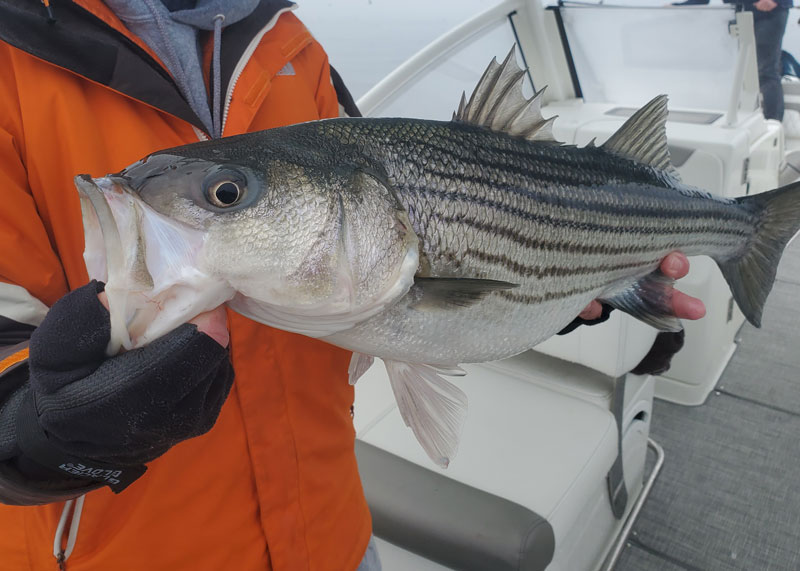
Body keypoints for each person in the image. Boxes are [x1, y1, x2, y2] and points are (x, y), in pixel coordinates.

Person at [0, 1, 704, 569]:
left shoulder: (290, 44)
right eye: (227, 194)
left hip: (333, 533)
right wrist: (44, 428)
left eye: (226, 195)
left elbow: (414, 228)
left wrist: (556, 285)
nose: (216, 203)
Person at [673, 0, 793, 120]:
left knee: (765, 71)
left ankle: (773, 122)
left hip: (768, 12)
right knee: (740, 70)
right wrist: (679, 7)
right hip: (739, 11)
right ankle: (744, 118)